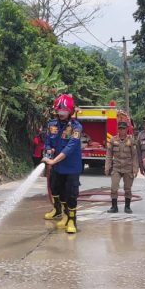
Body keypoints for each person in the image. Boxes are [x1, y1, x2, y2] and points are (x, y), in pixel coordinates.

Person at [42, 94, 84, 234]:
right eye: (59, 111)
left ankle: (72, 220)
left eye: (64, 111)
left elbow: (70, 148)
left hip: (71, 168)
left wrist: (53, 160)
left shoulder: (76, 127)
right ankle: (65, 216)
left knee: (71, 195)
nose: (61, 114)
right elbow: (48, 142)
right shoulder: (51, 125)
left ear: (70, 112)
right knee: (58, 191)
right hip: (57, 167)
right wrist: (48, 154)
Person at [104, 121, 139, 214]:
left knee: (127, 188)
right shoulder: (113, 140)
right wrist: (107, 167)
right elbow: (109, 155)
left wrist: (135, 168)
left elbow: (135, 156)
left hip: (128, 168)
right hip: (116, 167)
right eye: (120, 128)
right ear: (118, 129)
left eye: (123, 128)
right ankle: (114, 207)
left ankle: (127, 207)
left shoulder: (131, 140)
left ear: (127, 129)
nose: (121, 130)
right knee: (114, 187)